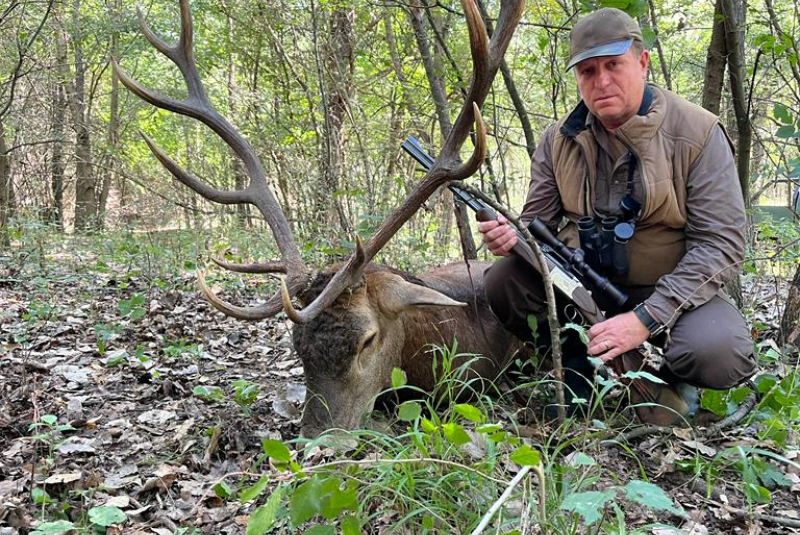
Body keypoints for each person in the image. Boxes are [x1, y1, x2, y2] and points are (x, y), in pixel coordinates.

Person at [479, 8, 757, 422]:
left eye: (613, 65)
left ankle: (666, 375)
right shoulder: (558, 141)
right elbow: (534, 222)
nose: (601, 81)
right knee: (503, 281)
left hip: (670, 296)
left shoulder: (698, 133)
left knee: (719, 351)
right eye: (588, 71)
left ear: (642, 62)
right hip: (583, 289)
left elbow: (722, 245)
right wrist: (509, 238)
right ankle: (577, 358)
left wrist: (645, 319)